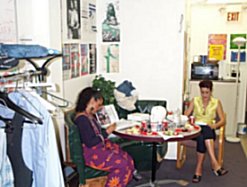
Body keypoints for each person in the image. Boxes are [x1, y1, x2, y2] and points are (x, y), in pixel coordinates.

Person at [74, 87, 140, 187]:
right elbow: (90, 142)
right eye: (99, 104)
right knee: (122, 164)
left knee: (127, 157)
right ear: (91, 101)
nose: (100, 107)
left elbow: (95, 134)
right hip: (91, 153)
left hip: (97, 147)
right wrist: (107, 132)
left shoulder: (89, 115)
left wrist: (106, 130)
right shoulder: (82, 119)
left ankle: (123, 181)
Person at [184, 80, 228, 183]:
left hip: (209, 128)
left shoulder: (216, 102)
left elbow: (222, 120)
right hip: (196, 129)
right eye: (202, 92)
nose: (204, 95)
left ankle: (198, 170)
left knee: (204, 134)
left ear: (211, 91)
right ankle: (215, 164)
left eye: (207, 93)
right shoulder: (194, 100)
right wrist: (188, 121)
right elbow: (185, 115)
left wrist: (214, 125)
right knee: (201, 134)